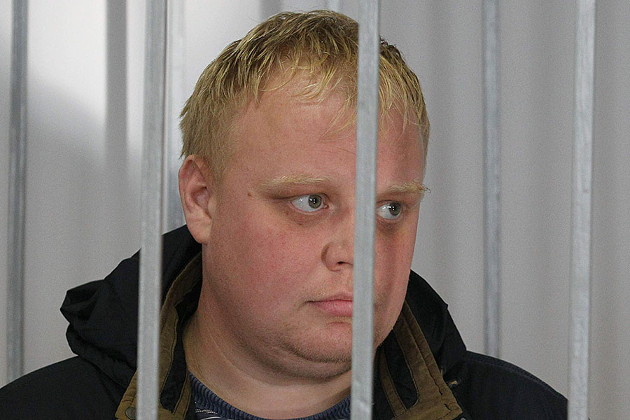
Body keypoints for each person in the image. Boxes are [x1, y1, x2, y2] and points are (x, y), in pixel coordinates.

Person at [0, 10, 567, 420]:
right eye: (310, 201)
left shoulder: (524, 411)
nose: (359, 252)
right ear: (201, 198)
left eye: (390, 207)